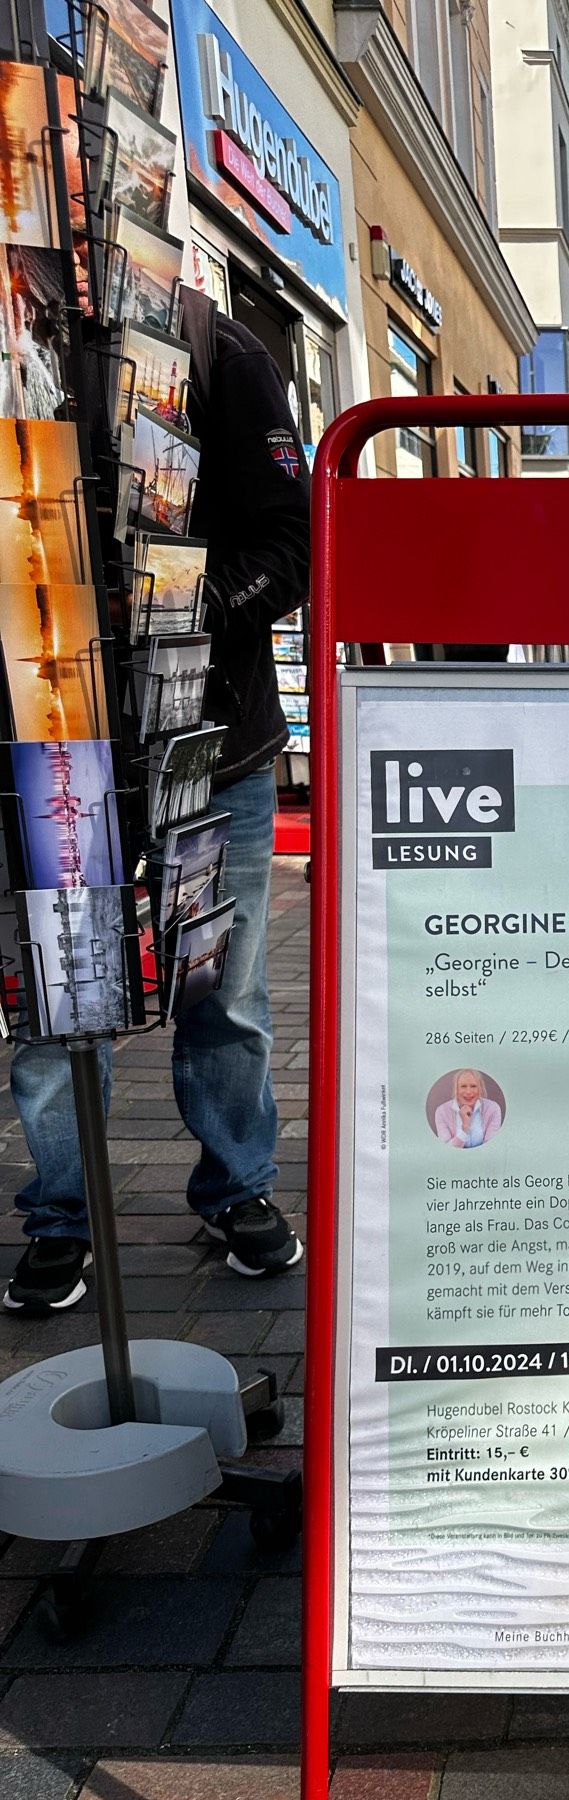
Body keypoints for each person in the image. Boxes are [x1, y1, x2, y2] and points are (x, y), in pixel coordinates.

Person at [4, 286, 309, 1311]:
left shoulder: (217, 351)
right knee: (59, 994)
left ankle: (237, 1185)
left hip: (213, 741)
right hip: (50, 738)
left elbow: (291, 545)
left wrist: (183, 612)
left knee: (223, 989)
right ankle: (60, 1211)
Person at [435, 1070, 503, 1150]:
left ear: (480, 1089)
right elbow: (445, 1149)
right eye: (463, 1086)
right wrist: (465, 1128)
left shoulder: (493, 1109)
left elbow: (491, 1146)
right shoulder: (441, 1111)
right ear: (456, 1089)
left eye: (473, 1086)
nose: (468, 1092)